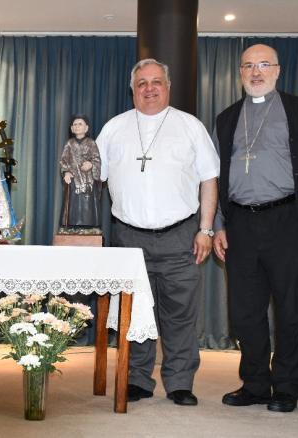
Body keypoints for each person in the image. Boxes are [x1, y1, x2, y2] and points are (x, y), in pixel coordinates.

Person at [213, 44, 298, 413]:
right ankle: (254, 383)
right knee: (244, 310)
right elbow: (216, 175)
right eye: (248, 65)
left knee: (291, 308)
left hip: (287, 220)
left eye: (264, 65)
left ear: (278, 70)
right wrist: (218, 222)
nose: (256, 72)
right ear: (239, 73)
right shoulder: (226, 118)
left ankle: (287, 385)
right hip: (239, 222)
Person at [97, 58, 219, 406]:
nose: (149, 88)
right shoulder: (114, 129)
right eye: (141, 83)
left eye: (156, 82)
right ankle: (137, 378)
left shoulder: (190, 126)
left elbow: (209, 179)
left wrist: (206, 230)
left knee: (180, 312)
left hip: (181, 234)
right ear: (132, 89)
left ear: (168, 87)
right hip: (128, 237)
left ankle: (180, 382)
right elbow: (92, 178)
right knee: (135, 312)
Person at [59, 115, 101, 228]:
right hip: (73, 181)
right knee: (73, 204)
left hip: (87, 180)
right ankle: (71, 225)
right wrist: (66, 172)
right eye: (75, 124)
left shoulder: (91, 143)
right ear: (72, 128)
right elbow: (63, 160)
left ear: (86, 128)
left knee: (87, 206)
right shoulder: (69, 143)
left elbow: (97, 159)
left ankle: (88, 226)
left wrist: (91, 164)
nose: (77, 126)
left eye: (80, 124)